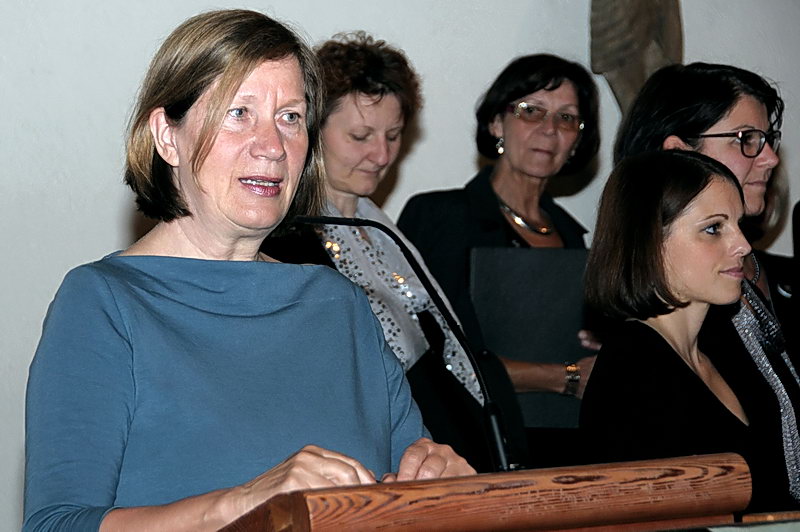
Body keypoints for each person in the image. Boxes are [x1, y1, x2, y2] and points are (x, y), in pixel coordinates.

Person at [23, 10, 474, 531]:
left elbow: (404, 492)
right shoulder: (104, 303)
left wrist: (438, 485)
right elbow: (56, 524)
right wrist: (240, 504)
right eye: (239, 113)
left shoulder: (338, 303)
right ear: (167, 136)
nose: (273, 146)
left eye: (290, 118)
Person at [259, 32, 502, 471]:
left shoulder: (384, 230)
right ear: (311, 130)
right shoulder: (284, 240)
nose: (382, 154)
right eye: (361, 135)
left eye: (393, 135)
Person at [398, 55, 601, 464]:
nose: (549, 129)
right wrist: (566, 377)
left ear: (577, 141)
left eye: (566, 118)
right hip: (468, 450)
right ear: (496, 123)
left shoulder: (578, 239)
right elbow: (430, 356)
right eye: (531, 111)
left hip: (567, 448)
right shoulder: (441, 218)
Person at [581, 150, 800, 512]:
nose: (743, 245)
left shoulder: (726, 352)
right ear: (650, 241)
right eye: (714, 229)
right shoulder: (633, 370)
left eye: (738, 224)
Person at [614, 62, 791, 339]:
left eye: (767, 139)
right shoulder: (648, 312)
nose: (771, 158)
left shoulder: (784, 275)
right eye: (745, 138)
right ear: (678, 154)